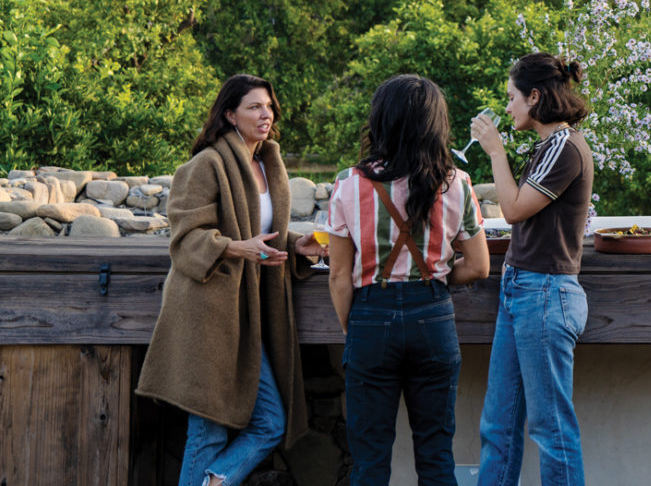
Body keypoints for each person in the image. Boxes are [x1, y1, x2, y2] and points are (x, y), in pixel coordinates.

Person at [137, 74, 325, 486]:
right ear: (230, 114)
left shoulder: (267, 162)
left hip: (248, 314)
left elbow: (262, 232)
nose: (265, 114)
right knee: (209, 430)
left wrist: (297, 245)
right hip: (208, 312)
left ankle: (213, 482)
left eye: (269, 106)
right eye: (254, 106)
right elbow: (185, 237)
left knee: (270, 423)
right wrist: (235, 248)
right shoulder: (205, 165)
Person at [326, 74, 490, 485]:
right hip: (433, 318)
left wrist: (355, 327)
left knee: (370, 460)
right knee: (436, 457)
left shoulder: (349, 184)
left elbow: (339, 277)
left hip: (369, 318)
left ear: (381, 121)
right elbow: (478, 267)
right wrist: (433, 283)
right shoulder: (458, 183)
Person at [470, 52, 594, 486]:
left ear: (535, 97)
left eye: (511, 98)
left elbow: (515, 209)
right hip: (521, 290)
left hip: (544, 295)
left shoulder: (564, 146)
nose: (507, 108)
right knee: (498, 425)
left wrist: (495, 152)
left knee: (551, 428)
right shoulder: (549, 145)